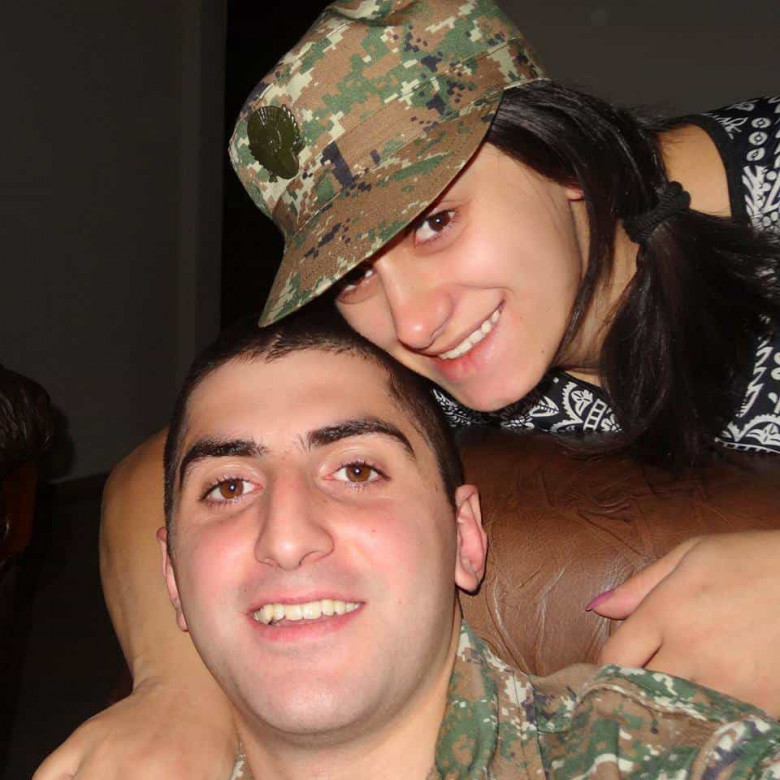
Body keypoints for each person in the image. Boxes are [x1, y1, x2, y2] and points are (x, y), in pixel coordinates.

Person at [34, 1, 780, 778]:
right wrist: (179, 692)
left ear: (564, 159)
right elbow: (159, 471)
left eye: (435, 222)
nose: (415, 323)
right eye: (355, 273)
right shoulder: (448, 355)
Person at [163, 306, 779, 778]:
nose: (287, 537)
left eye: (356, 470)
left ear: (464, 539)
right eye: (229, 487)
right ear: (171, 574)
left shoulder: (667, 756)